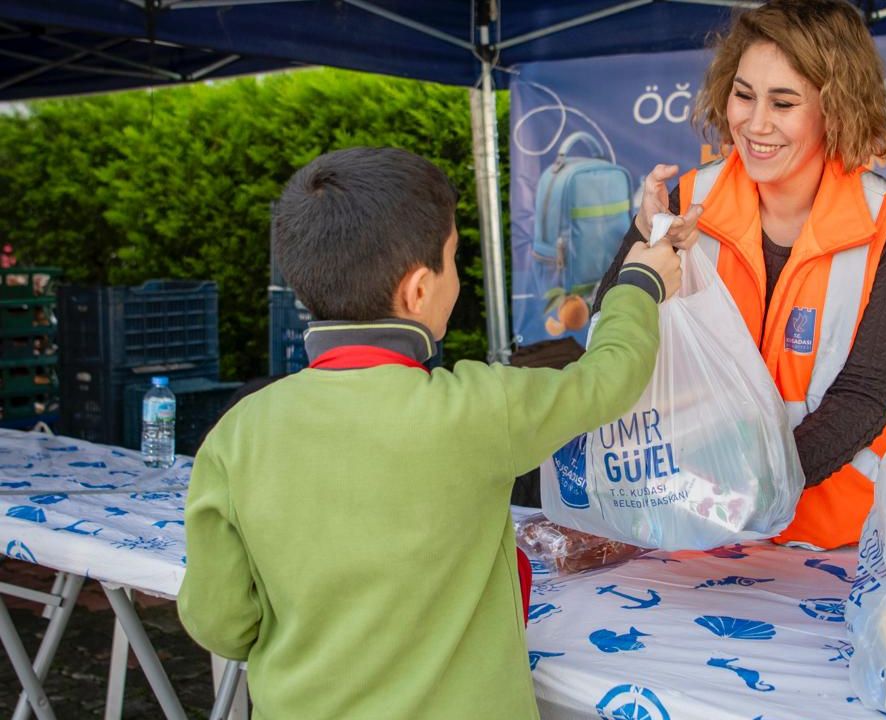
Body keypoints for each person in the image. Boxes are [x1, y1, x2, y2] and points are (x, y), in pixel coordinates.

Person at [177, 147, 684, 718]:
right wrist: (639, 283)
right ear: (418, 290)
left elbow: (220, 623)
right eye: (453, 259)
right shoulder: (479, 409)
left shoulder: (237, 433)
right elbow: (610, 377)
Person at [593, 0, 886, 550]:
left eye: (784, 102)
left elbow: (866, 396)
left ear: (836, 110)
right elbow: (612, 337)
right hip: (701, 537)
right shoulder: (690, 199)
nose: (755, 123)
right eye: (744, 94)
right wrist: (644, 237)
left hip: (842, 545)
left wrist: (743, 491)